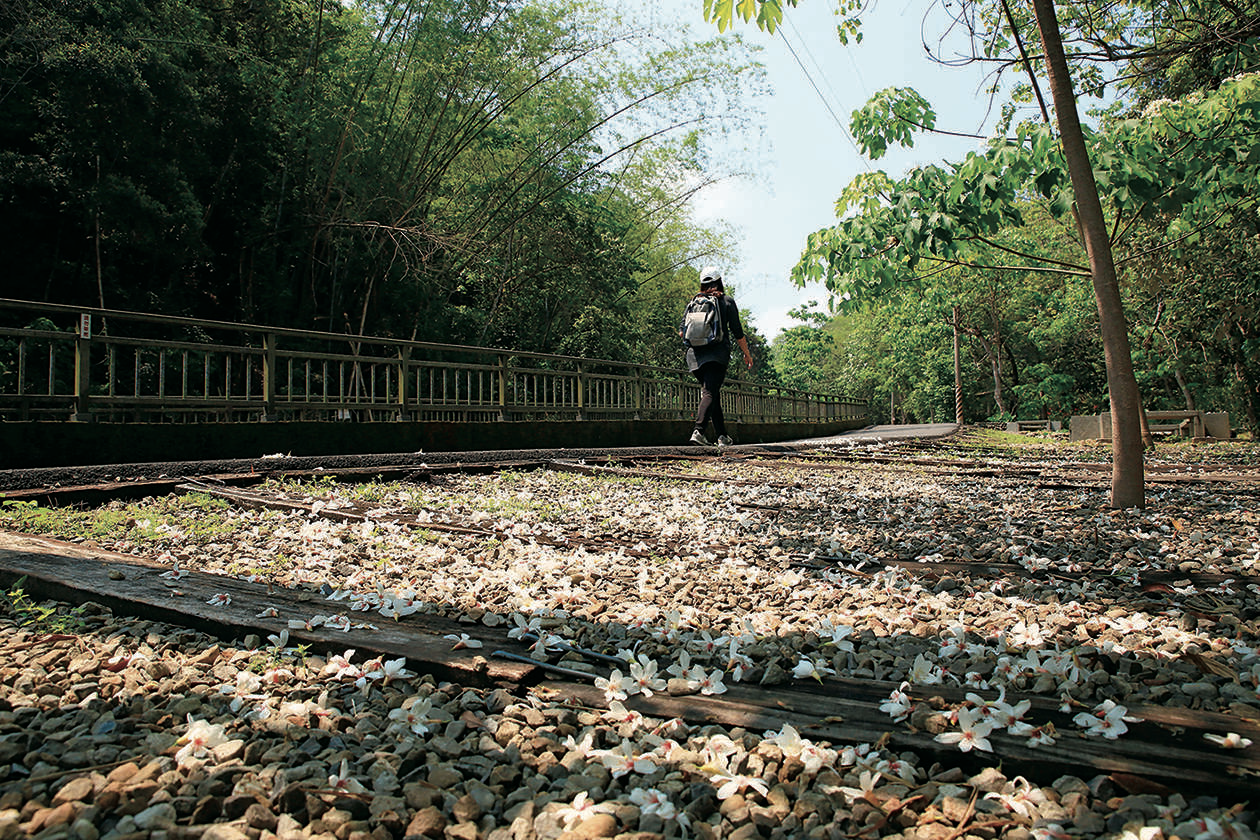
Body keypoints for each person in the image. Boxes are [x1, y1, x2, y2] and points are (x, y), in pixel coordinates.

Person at [679, 266, 753, 447]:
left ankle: (722, 437)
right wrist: (747, 354)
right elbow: (738, 332)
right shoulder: (726, 301)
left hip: (694, 357)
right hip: (717, 355)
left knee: (712, 394)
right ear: (720, 282)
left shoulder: (694, 302)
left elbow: (682, 332)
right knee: (710, 393)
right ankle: (699, 431)